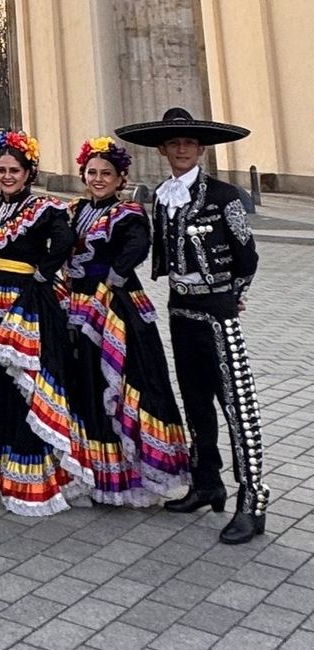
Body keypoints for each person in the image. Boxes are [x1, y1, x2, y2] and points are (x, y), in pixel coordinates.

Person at [116, 108, 265, 544]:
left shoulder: (225, 195)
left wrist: (234, 294)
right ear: (163, 150)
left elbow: (247, 256)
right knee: (195, 400)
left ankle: (252, 499)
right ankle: (206, 482)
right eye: (173, 143)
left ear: (200, 149)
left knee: (237, 404)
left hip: (217, 311)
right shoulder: (163, 196)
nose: (181, 149)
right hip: (180, 309)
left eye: (188, 143)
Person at [62, 137, 190, 506]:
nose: (98, 179)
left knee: (122, 382)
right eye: (92, 172)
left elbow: (137, 244)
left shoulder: (128, 212)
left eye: (107, 173)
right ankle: (94, 469)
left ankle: (131, 471)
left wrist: (114, 276)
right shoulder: (74, 210)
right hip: (76, 303)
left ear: (121, 179)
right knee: (84, 382)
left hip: (114, 306)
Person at [0, 131, 78, 515]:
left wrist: (42, 272)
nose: (7, 176)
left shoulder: (43, 208)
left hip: (25, 309)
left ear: (28, 173)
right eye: (1, 170)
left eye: (14, 170)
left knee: (23, 386)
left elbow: (65, 240)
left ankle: (27, 474)